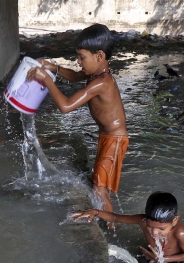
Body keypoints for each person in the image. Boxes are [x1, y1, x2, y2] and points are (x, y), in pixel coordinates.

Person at [26, 24, 128, 219]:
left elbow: (65, 106)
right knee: (98, 183)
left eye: (82, 57)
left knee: (99, 187)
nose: (78, 61)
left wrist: (46, 79)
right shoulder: (95, 74)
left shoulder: (102, 82)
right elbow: (73, 76)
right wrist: (50, 66)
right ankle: (108, 221)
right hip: (108, 137)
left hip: (115, 140)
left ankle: (112, 227)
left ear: (99, 56)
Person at [71, 192, 184, 263]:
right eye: (150, 226)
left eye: (161, 229)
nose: (154, 233)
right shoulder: (142, 220)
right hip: (158, 255)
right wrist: (96, 212)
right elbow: (116, 217)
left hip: (181, 262)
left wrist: (163, 259)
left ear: (175, 221)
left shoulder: (180, 233)